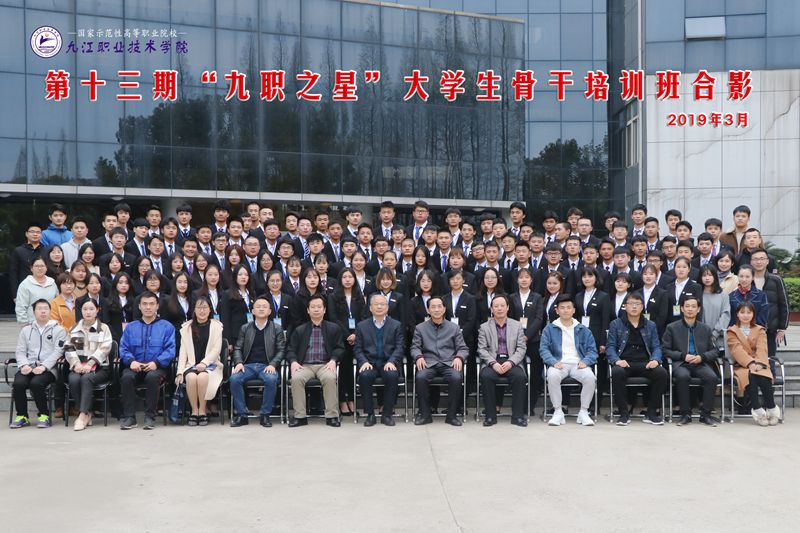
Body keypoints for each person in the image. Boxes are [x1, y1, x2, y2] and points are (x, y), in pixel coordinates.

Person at [605, 292, 669, 425]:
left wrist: (655, 360)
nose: (634, 307)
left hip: (645, 363)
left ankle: (651, 412)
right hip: (624, 362)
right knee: (616, 372)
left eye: (637, 304)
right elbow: (610, 347)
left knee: (662, 373)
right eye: (631, 304)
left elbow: (656, 346)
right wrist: (617, 360)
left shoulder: (650, 325)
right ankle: (624, 413)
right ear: (625, 306)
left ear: (642, 307)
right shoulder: (616, 324)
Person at [118, 291, 176, 430]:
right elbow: (123, 348)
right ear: (139, 306)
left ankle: (150, 417)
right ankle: (130, 417)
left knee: (152, 378)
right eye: (144, 304)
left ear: (157, 306)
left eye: (151, 304)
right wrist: (131, 361)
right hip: (135, 365)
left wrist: (156, 362)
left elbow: (170, 350)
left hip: (157, 367)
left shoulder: (167, 327)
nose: (148, 307)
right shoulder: (131, 327)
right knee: (126, 377)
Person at [286, 294, 345, 427]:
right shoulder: (300, 330)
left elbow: (340, 348)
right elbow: (290, 349)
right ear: (308, 310)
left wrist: (333, 360)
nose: (316, 309)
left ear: (324, 310)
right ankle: (300, 417)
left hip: (325, 365)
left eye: (319, 307)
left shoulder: (333, 328)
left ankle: (332, 416)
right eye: (313, 307)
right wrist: (294, 361)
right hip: (305, 366)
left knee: (330, 378)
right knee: (296, 379)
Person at [539, 295, 598, 427]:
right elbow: (543, 349)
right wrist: (552, 361)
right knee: (552, 375)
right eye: (562, 308)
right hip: (559, 363)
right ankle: (558, 411)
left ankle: (583, 412)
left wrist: (586, 361)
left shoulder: (583, 329)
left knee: (590, 377)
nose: (565, 310)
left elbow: (592, 351)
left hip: (578, 364)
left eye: (568, 307)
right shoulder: (549, 329)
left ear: (573, 310)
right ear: (557, 310)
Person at [662, 296, 720, 426]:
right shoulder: (672, 327)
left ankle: (705, 415)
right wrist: (683, 356)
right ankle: (685, 414)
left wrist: (702, 357)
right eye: (687, 306)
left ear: (698, 309)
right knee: (683, 377)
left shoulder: (705, 328)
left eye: (693, 306)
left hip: (700, 363)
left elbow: (714, 351)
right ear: (682, 308)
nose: (690, 309)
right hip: (681, 363)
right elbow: (665, 350)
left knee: (711, 377)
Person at [411, 296, 469, 426]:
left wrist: (459, 357)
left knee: (456, 377)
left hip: (448, 363)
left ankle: (451, 416)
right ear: (428, 310)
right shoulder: (420, 328)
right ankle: (425, 415)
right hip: (428, 363)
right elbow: (415, 347)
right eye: (433, 307)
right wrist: (419, 357)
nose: (436, 310)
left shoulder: (454, 328)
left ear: (444, 309)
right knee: (420, 377)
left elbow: (463, 348)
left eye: (439, 307)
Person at [229, 295, 286, 428]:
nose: (261, 309)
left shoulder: (276, 328)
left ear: (270, 311)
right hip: (247, 366)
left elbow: (281, 350)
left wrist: (273, 364)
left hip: (267, 366)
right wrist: (239, 362)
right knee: (234, 379)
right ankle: (242, 415)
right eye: (258, 307)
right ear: (253, 311)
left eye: (264, 307)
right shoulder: (245, 328)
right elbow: (238, 348)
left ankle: (265, 415)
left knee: (271, 380)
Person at [9, 299, 66, 429]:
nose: (43, 311)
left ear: (50, 311)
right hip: (29, 367)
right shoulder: (26, 330)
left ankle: (44, 415)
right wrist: (24, 365)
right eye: (39, 309)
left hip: (49, 369)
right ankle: (22, 416)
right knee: (18, 383)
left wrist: (44, 366)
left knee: (36, 383)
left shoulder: (59, 330)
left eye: (46, 308)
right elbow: (20, 351)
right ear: (34, 312)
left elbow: (58, 351)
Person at [477, 295, 529, 427]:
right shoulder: (484, 327)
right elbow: (482, 349)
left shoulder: (517, 325)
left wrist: (511, 362)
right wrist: (493, 363)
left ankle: (517, 416)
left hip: (511, 360)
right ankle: (490, 416)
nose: (499, 308)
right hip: (493, 361)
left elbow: (521, 348)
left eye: (502, 306)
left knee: (520, 377)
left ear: (508, 307)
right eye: (496, 306)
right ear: (491, 309)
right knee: (486, 376)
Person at [354, 293, 405, 427]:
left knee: (392, 376)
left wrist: (392, 361)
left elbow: (400, 347)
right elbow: (357, 349)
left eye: (382, 304)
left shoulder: (396, 325)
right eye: (376, 304)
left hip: (388, 362)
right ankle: (370, 414)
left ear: (387, 307)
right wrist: (364, 362)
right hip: (369, 363)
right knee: (364, 376)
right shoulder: (361, 326)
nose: (379, 307)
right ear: (370, 308)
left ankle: (387, 414)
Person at [727, 302, 780, 426]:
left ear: (753, 314)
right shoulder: (732, 331)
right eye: (742, 312)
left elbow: (762, 348)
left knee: (762, 375)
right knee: (750, 375)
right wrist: (750, 363)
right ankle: (758, 410)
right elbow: (736, 350)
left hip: (760, 363)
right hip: (742, 365)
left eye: (749, 312)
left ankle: (771, 407)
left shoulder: (760, 329)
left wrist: (759, 363)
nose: (745, 315)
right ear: (737, 314)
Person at [63, 299, 113, 431]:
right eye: (85, 309)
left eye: (91, 309)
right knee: (73, 379)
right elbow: (68, 348)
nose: (88, 312)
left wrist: (90, 364)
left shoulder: (103, 328)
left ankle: (82, 415)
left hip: (100, 368)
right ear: (81, 311)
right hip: (78, 367)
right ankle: (86, 413)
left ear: (97, 310)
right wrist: (76, 364)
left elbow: (105, 348)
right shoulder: (74, 328)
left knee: (86, 378)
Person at [175, 297, 224, 427]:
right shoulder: (186, 327)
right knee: (191, 377)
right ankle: (194, 411)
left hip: (211, 366)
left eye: (205, 308)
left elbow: (216, 349)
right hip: (191, 365)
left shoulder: (217, 326)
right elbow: (182, 352)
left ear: (210, 309)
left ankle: (202, 411)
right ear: (194, 310)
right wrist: (179, 372)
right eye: (199, 308)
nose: (202, 311)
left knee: (202, 377)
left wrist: (204, 363)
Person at [15, 257, 58, 323]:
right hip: (32, 323)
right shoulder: (25, 284)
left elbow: (57, 303)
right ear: (31, 268)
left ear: (46, 268)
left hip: (51, 323)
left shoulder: (52, 283)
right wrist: (24, 324)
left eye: (42, 266)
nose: (40, 268)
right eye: (36, 266)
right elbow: (20, 307)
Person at [698, 265, 730, 352]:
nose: (707, 278)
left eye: (710, 275)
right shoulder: (697, 294)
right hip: (699, 337)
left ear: (715, 276)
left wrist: (715, 333)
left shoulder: (723, 295)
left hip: (718, 338)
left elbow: (725, 315)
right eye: (704, 275)